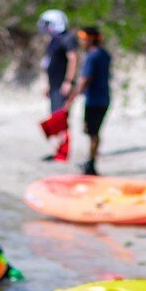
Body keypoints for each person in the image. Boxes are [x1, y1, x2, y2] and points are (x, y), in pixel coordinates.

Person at [67, 26, 112, 176]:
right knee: (94, 132)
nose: (81, 41)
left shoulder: (92, 56)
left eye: (83, 38)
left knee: (92, 132)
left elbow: (85, 79)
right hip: (104, 98)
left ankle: (91, 165)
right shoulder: (104, 54)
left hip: (94, 100)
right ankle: (91, 161)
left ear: (91, 39)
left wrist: (72, 97)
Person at [37, 10, 78, 161]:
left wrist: (68, 81)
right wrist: (46, 83)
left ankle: (63, 152)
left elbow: (73, 59)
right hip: (53, 85)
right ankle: (57, 150)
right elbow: (47, 63)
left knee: (61, 117)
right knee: (55, 117)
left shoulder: (67, 39)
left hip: (62, 85)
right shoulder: (53, 40)